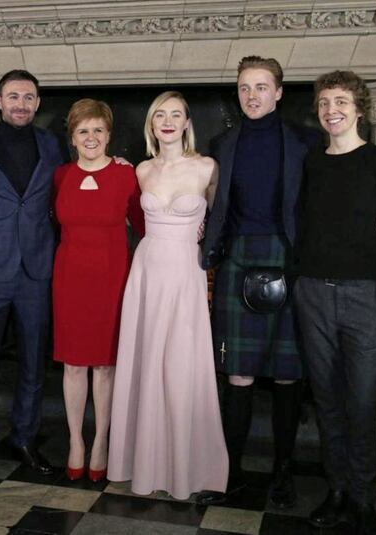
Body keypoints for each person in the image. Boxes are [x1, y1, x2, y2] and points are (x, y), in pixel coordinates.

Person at [198, 56, 320, 508]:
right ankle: (230, 472)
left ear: (279, 92)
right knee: (239, 373)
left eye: (262, 87)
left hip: (288, 260)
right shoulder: (222, 142)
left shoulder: (305, 143)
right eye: (245, 88)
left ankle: (283, 473)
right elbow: (214, 203)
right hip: (237, 261)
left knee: (289, 375)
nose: (252, 95)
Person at [294, 71, 376, 535]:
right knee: (328, 400)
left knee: (362, 402)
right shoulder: (312, 162)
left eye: (340, 101)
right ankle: (336, 491)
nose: (330, 110)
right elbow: (301, 221)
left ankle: (363, 498)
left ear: (359, 108)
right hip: (313, 294)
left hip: (365, 297)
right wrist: (301, 279)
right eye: (323, 102)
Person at [108, 91, 227, 500]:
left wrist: (204, 240)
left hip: (185, 275)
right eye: (160, 114)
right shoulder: (140, 171)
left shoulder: (208, 167)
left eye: (176, 114)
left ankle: (185, 467)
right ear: (151, 124)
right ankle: (140, 464)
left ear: (188, 122)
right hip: (147, 271)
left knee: (180, 366)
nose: (168, 121)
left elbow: (220, 219)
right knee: (146, 361)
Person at [0, 70, 65, 485]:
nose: (22, 103)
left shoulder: (54, 146)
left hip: (38, 269)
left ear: (38, 103)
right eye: (14, 96)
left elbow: (69, 190)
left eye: (29, 97)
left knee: (34, 363)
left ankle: (24, 438)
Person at [52, 99, 144, 482]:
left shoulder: (127, 176)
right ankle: (76, 441)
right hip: (70, 278)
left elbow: (144, 225)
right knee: (74, 365)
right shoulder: (60, 176)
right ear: (73, 138)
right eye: (83, 131)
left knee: (105, 366)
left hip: (112, 279)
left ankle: (102, 441)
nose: (91, 137)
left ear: (109, 135)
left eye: (98, 130)